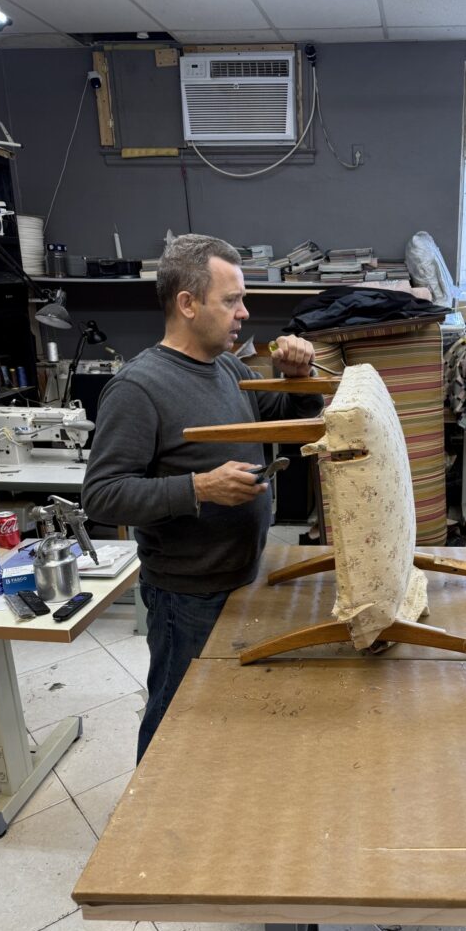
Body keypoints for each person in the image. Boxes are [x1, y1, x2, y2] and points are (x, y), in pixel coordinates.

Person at [82, 234, 322, 762]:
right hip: (185, 596)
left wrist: (296, 377)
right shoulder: (138, 387)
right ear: (188, 304)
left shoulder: (230, 369)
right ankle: (145, 831)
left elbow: (281, 424)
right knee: (174, 718)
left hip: (241, 575)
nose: (244, 311)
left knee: (217, 713)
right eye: (231, 299)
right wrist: (198, 487)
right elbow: (101, 495)